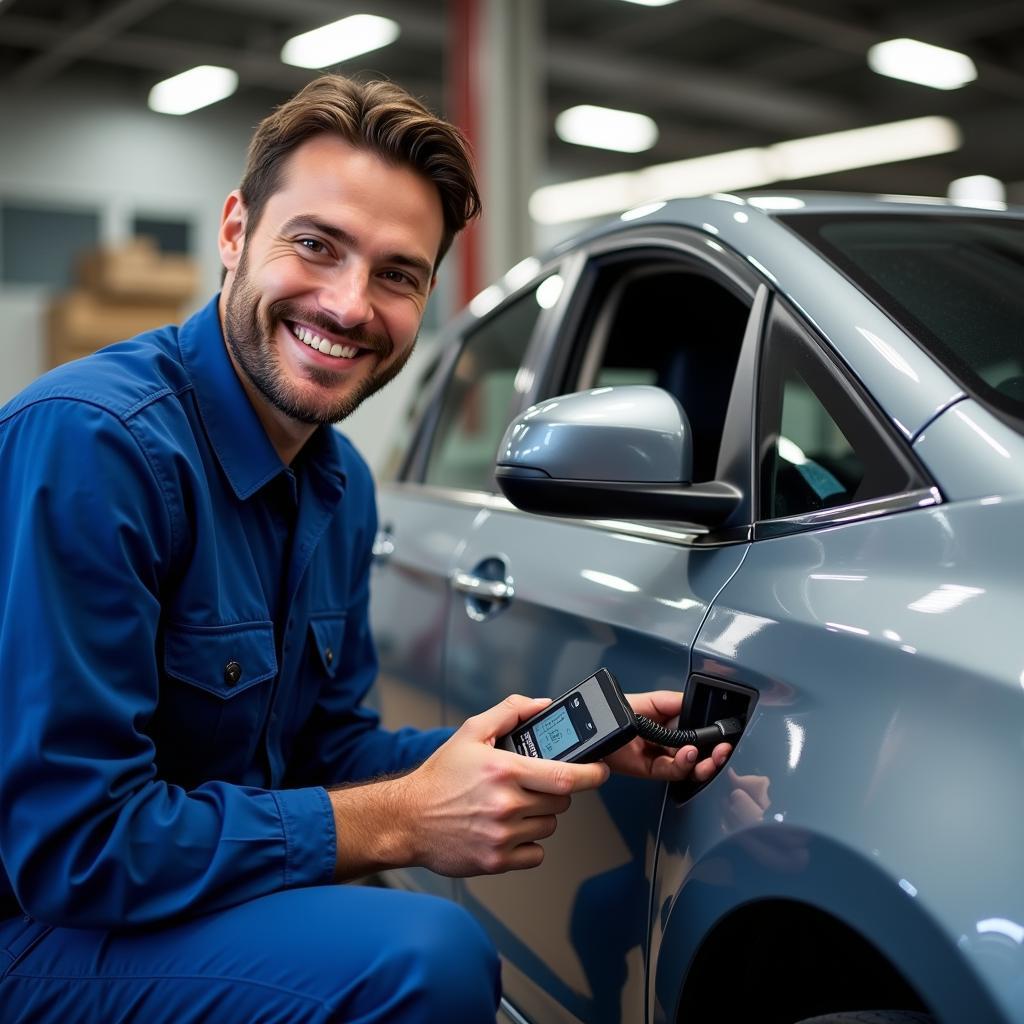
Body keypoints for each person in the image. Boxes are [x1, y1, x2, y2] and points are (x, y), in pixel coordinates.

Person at [0, 75, 731, 1023]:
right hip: (34, 923)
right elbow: (74, 847)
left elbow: (326, 749)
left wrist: (528, 750)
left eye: (397, 274)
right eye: (316, 245)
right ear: (234, 232)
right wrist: (403, 822)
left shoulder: (337, 483)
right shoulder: (93, 447)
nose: (350, 306)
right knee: (421, 956)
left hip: (153, 904)